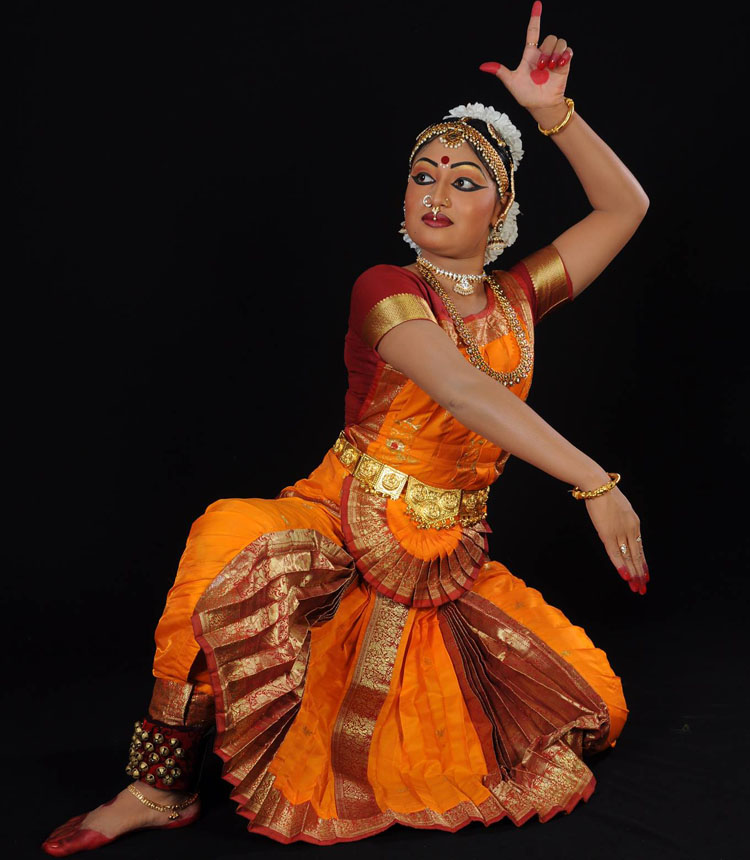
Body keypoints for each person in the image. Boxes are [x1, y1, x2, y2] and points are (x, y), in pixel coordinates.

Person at [42, 2, 650, 854]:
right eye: (424, 175)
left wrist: (554, 115)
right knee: (223, 542)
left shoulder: (518, 296)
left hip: (449, 555)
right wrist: (595, 482)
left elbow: (625, 208)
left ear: (500, 214)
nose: (438, 192)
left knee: (588, 704)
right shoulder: (386, 288)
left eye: (466, 181)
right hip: (343, 516)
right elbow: (465, 393)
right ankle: (157, 787)